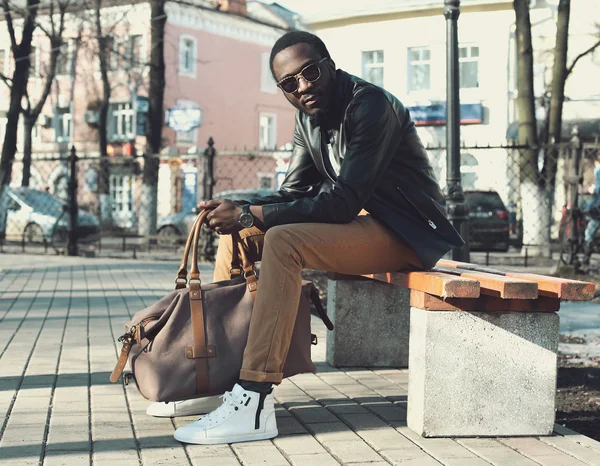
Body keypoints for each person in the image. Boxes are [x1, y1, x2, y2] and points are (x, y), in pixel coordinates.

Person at [156, 31, 464, 445]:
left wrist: (250, 212)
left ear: (330, 66)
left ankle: (254, 399)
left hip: (406, 232)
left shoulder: (370, 105)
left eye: (310, 73)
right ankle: (220, 377)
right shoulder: (308, 119)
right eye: (289, 83)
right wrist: (236, 208)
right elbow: (294, 193)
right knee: (241, 235)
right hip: (360, 228)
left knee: (284, 242)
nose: (302, 87)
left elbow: (341, 202)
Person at [583, 151, 600, 265]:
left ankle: (586, 258)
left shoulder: (599, 171)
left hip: (598, 206)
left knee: (590, 230)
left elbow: (598, 189)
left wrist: (590, 190)